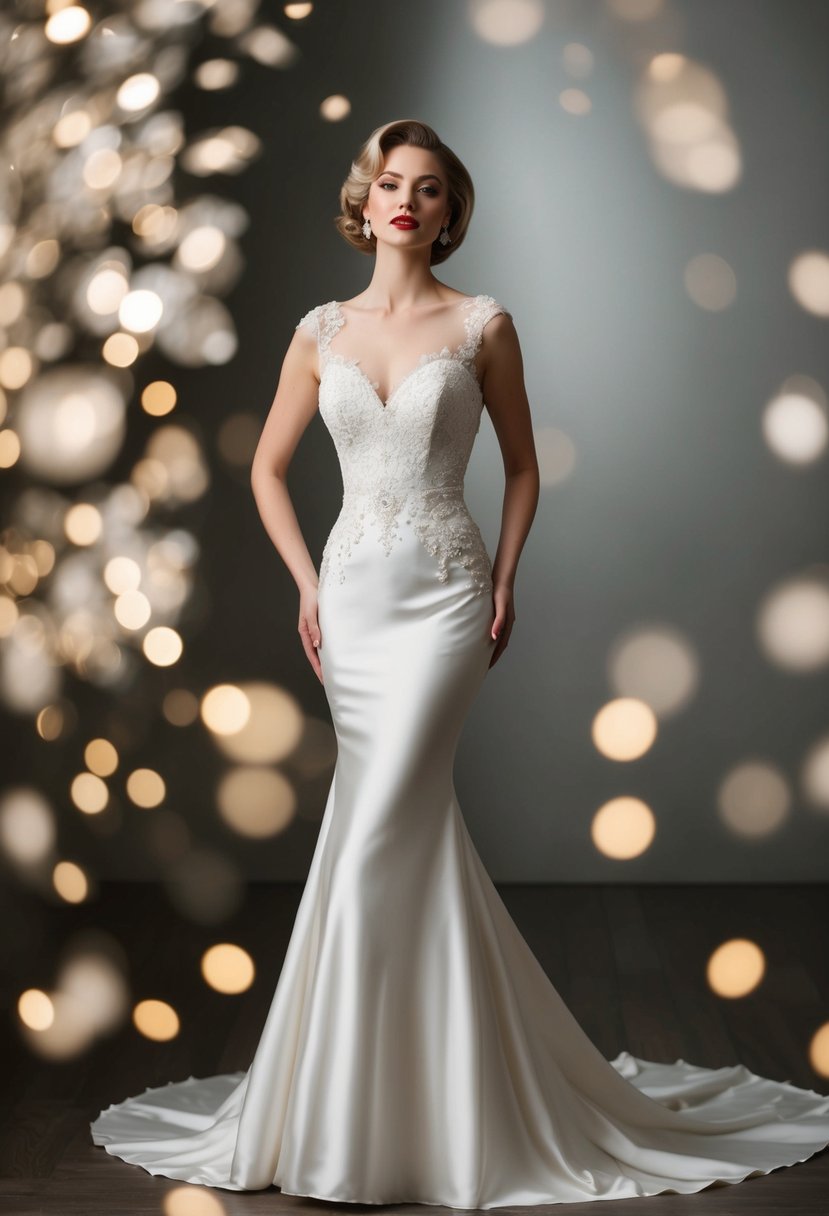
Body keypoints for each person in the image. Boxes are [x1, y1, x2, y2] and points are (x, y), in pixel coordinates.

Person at [90, 118, 829, 1208]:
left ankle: (381, 1103)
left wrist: (508, 576)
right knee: (386, 827)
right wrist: (303, 583)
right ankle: (383, 1098)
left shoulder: (483, 325)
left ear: (448, 214)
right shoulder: (319, 331)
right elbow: (268, 471)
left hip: (444, 596)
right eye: (391, 183)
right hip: (349, 598)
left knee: (386, 814)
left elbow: (524, 468)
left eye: (429, 190)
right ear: (366, 201)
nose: (406, 202)